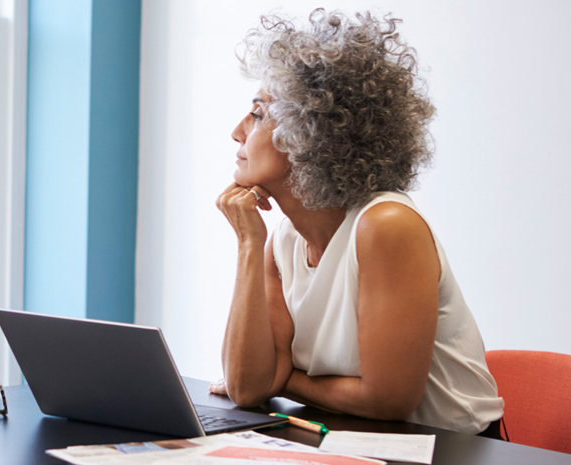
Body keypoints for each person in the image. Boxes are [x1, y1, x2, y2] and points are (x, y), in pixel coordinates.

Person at [210, 9, 504, 437]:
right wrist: (248, 245)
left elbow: (388, 401)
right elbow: (246, 387)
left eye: (257, 113)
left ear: (309, 130)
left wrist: (286, 379)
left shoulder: (386, 226)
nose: (238, 132)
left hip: (453, 449)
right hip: (352, 440)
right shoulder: (284, 238)